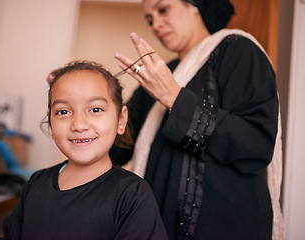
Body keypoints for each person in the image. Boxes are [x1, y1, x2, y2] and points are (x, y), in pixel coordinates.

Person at [110, 0, 283, 239]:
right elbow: (119, 145)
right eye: (149, 20)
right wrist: (80, 106)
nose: (156, 24)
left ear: (195, 4)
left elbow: (257, 144)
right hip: (159, 228)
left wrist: (174, 97)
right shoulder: (161, 74)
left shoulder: (237, 49)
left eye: (163, 9)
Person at [0, 60, 168, 240]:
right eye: (63, 112)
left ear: (120, 120)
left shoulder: (132, 194)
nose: (79, 125)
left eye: (95, 109)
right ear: (50, 122)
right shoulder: (36, 183)